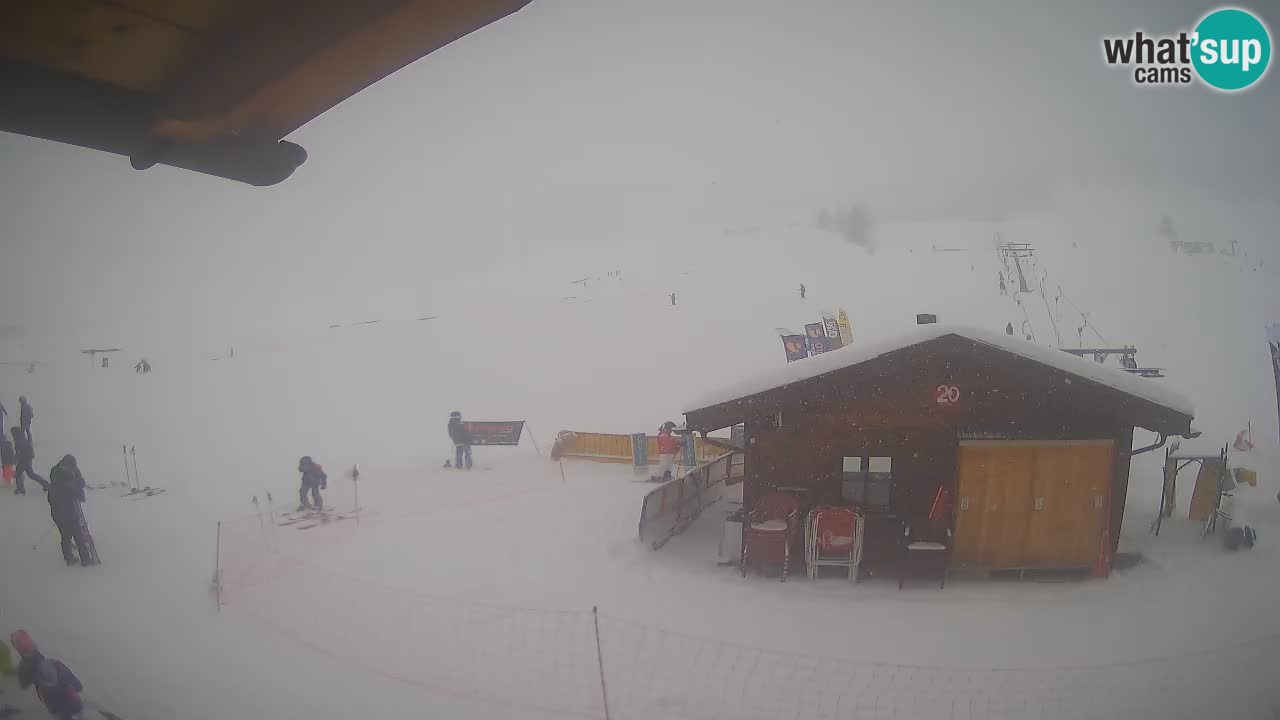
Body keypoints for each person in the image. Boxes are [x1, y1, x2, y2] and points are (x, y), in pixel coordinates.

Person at [11, 630, 85, 720]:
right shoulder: (31, 665)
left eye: (26, 638)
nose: (28, 641)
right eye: (22, 641)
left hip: (62, 700)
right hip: (60, 701)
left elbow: (25, 684)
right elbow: (26, 685)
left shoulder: (43, 660)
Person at [48, 454, 93, 566]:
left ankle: (73, 558)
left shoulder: (73, 469)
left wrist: (76, 486)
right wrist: (71, 488)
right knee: (71, 534)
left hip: (69, 508)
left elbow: (81, 483)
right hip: (62, 511)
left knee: (70, 534)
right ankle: (81, 559)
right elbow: (55, 496)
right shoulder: (57, 477)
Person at [11, 426, 46, 494]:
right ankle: (45, 484)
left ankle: (20, 489)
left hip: (24, 459)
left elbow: (19, 452)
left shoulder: (19, 441)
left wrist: (15, 459)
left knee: (19, 473)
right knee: (30, 474)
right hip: (27, 458)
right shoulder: (22, 439)